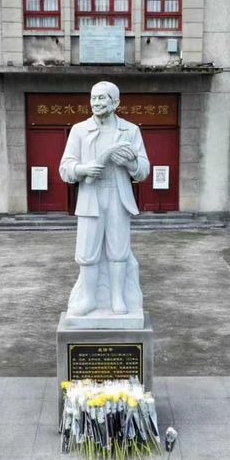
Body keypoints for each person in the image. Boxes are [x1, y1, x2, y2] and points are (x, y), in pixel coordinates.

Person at [59, 81, 150, 317]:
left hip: (118, 196)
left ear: (116, 102)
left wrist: (129, 163)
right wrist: (83, 169)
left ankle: (117, 298)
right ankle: (89, 299)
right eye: (93, 98)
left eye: (102, 98)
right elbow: (65, 168)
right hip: (91, 196)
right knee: (87, 251)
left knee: (118, 249)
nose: (96, 103)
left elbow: (143, 169)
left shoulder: (130, 130)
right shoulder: (80, 130)